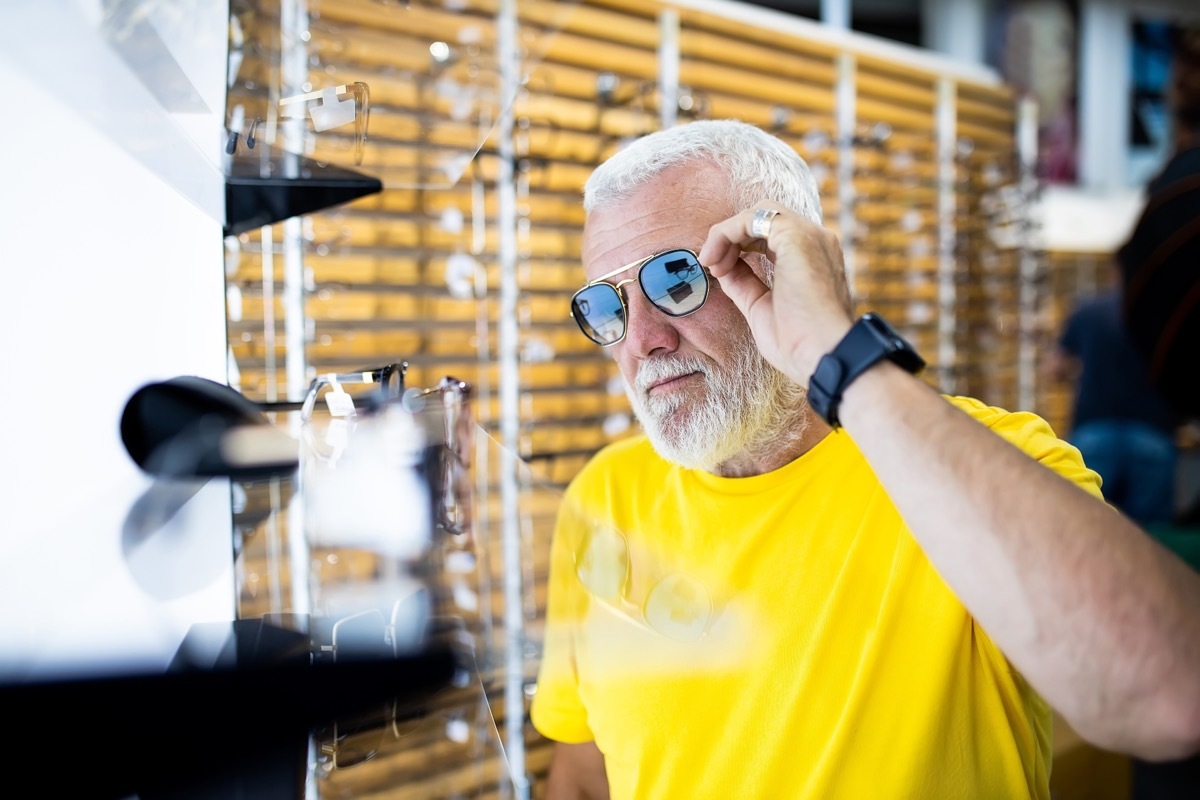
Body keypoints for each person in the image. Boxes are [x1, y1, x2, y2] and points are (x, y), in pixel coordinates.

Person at [529, 119, 1200, 800]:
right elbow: (584, 777)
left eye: (674, 279)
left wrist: (837, 352)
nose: (640, 339)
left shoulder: (983, 464)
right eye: (603, 305)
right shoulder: (603, 499)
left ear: (776, 265)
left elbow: (1170, 693)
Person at [1046, 274, 1179, 526]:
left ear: (1113, 270)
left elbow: (1053, 368)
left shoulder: (1088, 311)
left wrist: (1080, 372)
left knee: (1086, 525)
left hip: (1095, 430)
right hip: (1152, 433)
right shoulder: (1164, 315)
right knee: (1154, 536)